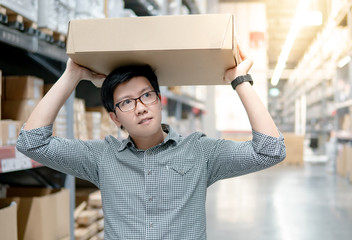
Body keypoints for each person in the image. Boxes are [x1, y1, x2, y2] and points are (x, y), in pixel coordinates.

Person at [16, 45, 286, 239]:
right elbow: (31, 142)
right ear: (114, 117)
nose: (141, 107)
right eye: (126, 102)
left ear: (159, 100)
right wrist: (71, 75)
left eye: (147, 95)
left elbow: (271, 150)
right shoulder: (102, 157)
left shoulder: (199, 151)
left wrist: (240, 80)